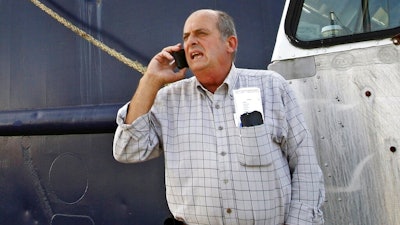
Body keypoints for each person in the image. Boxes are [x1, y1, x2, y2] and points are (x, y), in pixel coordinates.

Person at [113, 9, 325, 225]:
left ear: (230, 43)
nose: (191, 42)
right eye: (186, 38)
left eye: (201, 33)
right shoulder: (168, 100)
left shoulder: (271, 86)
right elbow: (128, 149)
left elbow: (305, 166)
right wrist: (151, 79)